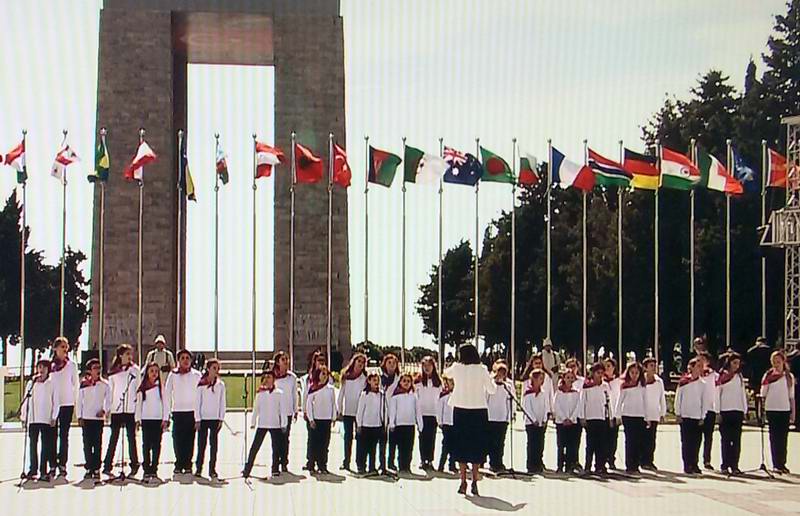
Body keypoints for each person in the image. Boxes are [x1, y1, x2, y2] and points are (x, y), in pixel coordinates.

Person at [444, 344, 497, 497]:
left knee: (460, 445)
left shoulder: (457, 367)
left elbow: (445, 373)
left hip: (460, 409)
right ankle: (474, 479)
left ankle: (462, 480)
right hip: (478, 410)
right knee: (476, 446)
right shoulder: (482, 369)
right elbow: (492, 390)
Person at [103, 344, 140, 477]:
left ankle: (134, 464)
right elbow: (110, 391)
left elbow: (138, 390)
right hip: (117, 409)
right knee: (114, 437)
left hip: (130, 409)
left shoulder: (135, 370)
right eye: (127, 354)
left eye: (131, 354)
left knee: (131, 438)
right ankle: (107, 465)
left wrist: (138, 412)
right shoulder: (114, 371)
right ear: (120, 356)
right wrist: (107, 409)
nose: (130, 356)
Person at [243, 370, 288, 479]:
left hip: (275, 424)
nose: (267, 379)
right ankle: (247, 469)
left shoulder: (279, 393)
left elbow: (282, 410)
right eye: (266, 377)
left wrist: (284, 423)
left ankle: (275, 468)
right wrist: (253, 422)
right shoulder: (260, 393)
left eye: (269, 377)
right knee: (255, 446)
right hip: (263, 423)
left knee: (276, 448)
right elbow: (256, 408)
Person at [164, 349, 202, 475]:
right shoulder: (173, 375)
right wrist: (167, 415)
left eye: (187, 358)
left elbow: (200, 395)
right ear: (178, 360)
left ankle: (188, 464)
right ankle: (179, 463)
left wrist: (198, 416)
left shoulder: (197, 375)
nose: (185, 360)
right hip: (178, 411)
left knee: (190, 439)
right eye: (182, 358)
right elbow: (167, 394)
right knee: (177, 438)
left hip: (192, 411)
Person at [21, 359, 58, 481]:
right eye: (39, 367)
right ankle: (33, 469)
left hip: (46, 418)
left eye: (44, 367)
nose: (41, 370)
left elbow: (56, 402)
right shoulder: (32, 383)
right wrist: (24, 416)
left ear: (48, 370)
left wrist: (54, 417)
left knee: (45, 446)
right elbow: (26, 400)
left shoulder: (52, 384)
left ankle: (43, 470)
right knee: (32, 445)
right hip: (33, 418)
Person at [760, 350, 796, 474]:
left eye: (778, 362)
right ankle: (776, 463)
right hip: (772, 409)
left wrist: (793, 412)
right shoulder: (768, 376)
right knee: (774, 437)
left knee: (783, 437)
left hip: (784, 409)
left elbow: (791, 396)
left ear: (783, 362)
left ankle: (782, 463)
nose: (776, 364)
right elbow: (763, 393)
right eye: (774, 362)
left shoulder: (788, 377)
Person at [49, 336, 79, 478]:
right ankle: (52, 464)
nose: (65, 349)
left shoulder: (72, 365)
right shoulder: (50, 366)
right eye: (62, 346)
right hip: (53, 403)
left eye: (66, 346)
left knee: (64, 435)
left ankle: (63, 463)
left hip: (67, 403)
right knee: (51, 435)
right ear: (55, 348)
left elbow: (76, 384)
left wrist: (75, 402)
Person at [135, 362, 169, 483]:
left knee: (156, 445)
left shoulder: (161, 387)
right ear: (147, 373)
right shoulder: (142, 387)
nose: (154, 374)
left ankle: (154, 468)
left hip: (157, 420)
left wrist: (165, 418)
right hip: (146, 419)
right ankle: (146, 468)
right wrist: (137, 420)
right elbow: (138, 405)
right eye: (151, 371)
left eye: (156, 371)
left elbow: (166, 403)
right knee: (146, 445)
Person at [77, 358, 109, 481]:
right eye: (95, 368)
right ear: (89, 371)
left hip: (98, 418)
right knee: (87, 443)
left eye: (99, 368)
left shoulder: (104, 384)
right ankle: (89, 467)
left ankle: (96, 468)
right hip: (87, 417)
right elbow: (79, 401)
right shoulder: (84, 384)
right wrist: (79, 416)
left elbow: (108, 399)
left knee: (97, 443)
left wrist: (104, 410)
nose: (98, 370)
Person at [716, 351, 747, 475]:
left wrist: (745, 410)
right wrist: (718, 412)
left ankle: (735, 465)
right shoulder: (722, 376)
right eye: (734, 363)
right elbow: (717, 394)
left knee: (736, 439)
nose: (736, 366)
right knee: (726, 439)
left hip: (737, 410)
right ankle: (725, 465)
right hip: (725, 411)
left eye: (738, 363)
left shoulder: (739, 377)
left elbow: (742, 394)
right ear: (729, 363)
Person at [194, 358, 226, 479]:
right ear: (208, 369)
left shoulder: (220, 385)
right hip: (203, 418)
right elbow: (197, 402)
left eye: (218, 368)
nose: (216, 370)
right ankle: (198, 468)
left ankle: (212, 469)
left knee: (214, 445)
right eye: (214, 368)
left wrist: (221, 418)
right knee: (201, 444)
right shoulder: (201, 384)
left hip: (214, 418)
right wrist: (197, 418)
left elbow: (223, 402)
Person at [675, 357, 707, 475]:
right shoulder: (684, 382)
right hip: (685, 416)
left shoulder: (703, 384)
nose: (700, 369)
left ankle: (695, 463)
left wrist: (703, 416)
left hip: (697, 416)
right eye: (697, 366)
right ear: (691, 367)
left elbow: (705, 400)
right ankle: (687, 464)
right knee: (686, 441)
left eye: (701, 366)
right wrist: (678, 413)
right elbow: (678, 398)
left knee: (696, 441)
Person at [579, 362, 611, 476]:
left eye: (602, 373)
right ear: (593, 373)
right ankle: (587, 466)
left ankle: (600, 466)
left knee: (601, 444)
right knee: (590, 444)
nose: (600, 375)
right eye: (598, 373)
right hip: (590, 418)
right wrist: (582, 417)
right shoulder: (587, 386)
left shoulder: (605, 386)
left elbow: (608, 401)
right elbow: (582, 402)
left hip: (601, 417)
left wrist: (610, 416)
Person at [388, 372, 424, 474]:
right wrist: (392, 424)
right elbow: (392, 411)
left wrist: (420, 425)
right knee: (400, 447)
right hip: (399, 425)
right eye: (404, 381)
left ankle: (407, 466)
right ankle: (400, 465)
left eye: (408, 381)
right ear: (400, 382)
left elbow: (418, 411)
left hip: (410, 425)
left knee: (408, 447)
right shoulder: (395, 397)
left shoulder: (414, 396)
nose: (406, 383)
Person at [616, 362, 647, 474]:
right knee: (630, 440)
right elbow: (620, 401)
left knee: (638, 441)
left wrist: (647, 416)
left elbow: (645, 401)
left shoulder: (642, 385)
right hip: (628, 415)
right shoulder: (625, 385)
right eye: (632, 372)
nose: (634, 375)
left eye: (636, 373)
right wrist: (618, 415)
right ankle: (629, 465)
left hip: (640, 415)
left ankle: (636, 464)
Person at [338, 352, 368, 471]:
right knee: (348, 437)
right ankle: (346, 462)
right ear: (354, 362)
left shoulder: (365, 378)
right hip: (348, 411)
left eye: (362, 362)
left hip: (361, 412)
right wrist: (339, 409)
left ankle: (360, 463)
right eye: (358, 361)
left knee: (360, 438)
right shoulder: (346, 376)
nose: (360, 364)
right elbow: (341, 394)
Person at [306, 365, 337, 474]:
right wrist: (311, 419)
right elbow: (309, 404)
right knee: (314, 443)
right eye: (322, 373)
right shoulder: (313, 387)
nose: (325, 376)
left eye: (326, 374)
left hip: (326, 419)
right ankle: (311, 464)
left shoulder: (331, 389)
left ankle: (322, 465)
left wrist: (333, 417)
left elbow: (333, 403)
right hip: (316, 419)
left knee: (324, 444)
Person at [415, 355, 442, 471]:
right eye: (424, 365)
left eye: (429, 365)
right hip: (422, 413)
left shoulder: (438, 382)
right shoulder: (418, 381)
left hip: (433, 413)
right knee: (422, 437)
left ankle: (430, 460)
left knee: (431, 437)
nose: (427, 368)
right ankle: (422, 460)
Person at [272, 350, 298, 472]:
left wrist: (295, 410)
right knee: (276, 439)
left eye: (287, 359)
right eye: (283, 359)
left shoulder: (292, 377)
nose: (286, 362)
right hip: (274, 412)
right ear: (277, 362)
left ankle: (284, 463)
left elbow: (294, 395)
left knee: (285, 438)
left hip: (287, 412)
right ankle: (275, 464)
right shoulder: (272, 376)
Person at [522, 369, 551, 474]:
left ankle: (538, 463)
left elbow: (545, 407)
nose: (541, 381)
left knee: (540, 444)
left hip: (540, 422)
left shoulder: (543, 393)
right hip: (531, 423)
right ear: (533, 379)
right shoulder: (528, 393)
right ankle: (531, 465)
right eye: (539, 378)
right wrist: (533, 419)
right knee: (532, 444)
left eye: (542, 379)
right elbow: (527, 408)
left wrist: (544, 419)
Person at [486, 361, 513, 472]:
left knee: (501, 441)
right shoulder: (490, 386)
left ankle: (499, 462)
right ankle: (492, 462)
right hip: (491, 417)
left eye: (503, 373)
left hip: (502, 417)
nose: (500, 375)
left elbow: (511, 402)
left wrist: (510, 415)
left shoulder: (508, 387)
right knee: (492, 441)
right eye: (499, 372)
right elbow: (485, 400)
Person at [553, 370, 581, 474]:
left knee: (571, 445)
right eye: (567, 377)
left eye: (571, 378)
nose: (569, 380)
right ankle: (560, 465)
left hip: (572, 422)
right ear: (563, 378)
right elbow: (556, 406)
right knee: (561, 445)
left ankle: (569, 465)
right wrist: (564, 418)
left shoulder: (576, 393)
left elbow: (578, 406)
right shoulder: (559, 392)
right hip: (561, 422)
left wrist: (572, 418)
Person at [355, 372, 383, 476]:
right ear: (369, 381)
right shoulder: (364, 395)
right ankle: (361, 466)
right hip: (366, 425)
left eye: (377, 380)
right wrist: (359, 424)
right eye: (374, 380)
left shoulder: (381, 395)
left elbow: (382, 410)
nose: (376, 383)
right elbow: (360, 410)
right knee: (363, 447)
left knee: (373, 448)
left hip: (376, 425)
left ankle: (372, 466)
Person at [642, 357, 666, 470]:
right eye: (651, 366)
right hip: (642, 414)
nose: (654, 368)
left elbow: (662, 398)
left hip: (654, 414)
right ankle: (641, 460)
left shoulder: (659, 381)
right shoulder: (641, 381)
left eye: (655, 366)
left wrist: (662, 413)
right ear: (645, 368)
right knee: (642, 438)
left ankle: (649, 460)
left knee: (651, 439)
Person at [378, 352, 400, 473]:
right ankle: (382, 464)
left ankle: (391, 462)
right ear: (384, 364)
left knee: (393, 439)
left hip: (395, 411)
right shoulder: (380, 378)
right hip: (381, 411)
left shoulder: (399, 378)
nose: (391, 365)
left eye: (394, 363)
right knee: (382, 439)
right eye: (389, 362)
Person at [697, 351, 718, 470]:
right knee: (696, 437)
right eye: (698, 361)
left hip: (710, 409)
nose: (700, 363)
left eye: (702, 360)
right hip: (697, 410)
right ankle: (694, 460)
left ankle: (707, 460)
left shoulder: (713, 375)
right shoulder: (693, 376)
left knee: (708, 436)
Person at [603, 358, 622, 470]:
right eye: (605, 366)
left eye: (609, 366)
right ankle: (603, 459)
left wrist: (618, 414)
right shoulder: (601, 382)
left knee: (613, 438)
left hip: (614, 414)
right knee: (603, 439)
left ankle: (611, 459)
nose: (607, 368)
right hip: (604, 415)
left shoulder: (618, 382)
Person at [436, 376, 456, 473]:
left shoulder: (459, 396)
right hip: (446, 423)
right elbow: (440, 410)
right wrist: (440, 421)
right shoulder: (443, 396)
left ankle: (452, 465)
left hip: (456, 423)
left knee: (455, 445)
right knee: (446, 445)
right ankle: (441, 465)